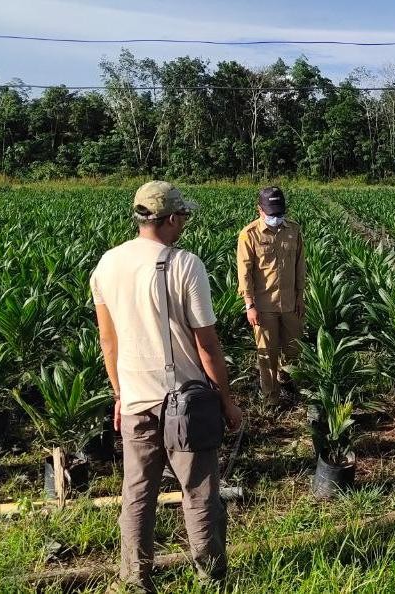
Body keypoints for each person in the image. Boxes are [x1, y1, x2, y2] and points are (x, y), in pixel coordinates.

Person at [92, 180, 244, 590]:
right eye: (183, 217)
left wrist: (120, 395)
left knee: (137, 494)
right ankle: (211, 577)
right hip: (186, 402)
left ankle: (135, 579)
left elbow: (109, 341)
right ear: (172, 218)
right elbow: (206, 343)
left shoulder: (106, 264)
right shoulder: (184, 264)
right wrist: (227, 401)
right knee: (199, 492)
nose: (185, 225)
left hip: (137, 399)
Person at [236, 186, 306, 407]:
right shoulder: (249, 235)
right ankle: (270, 399)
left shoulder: (293, 230)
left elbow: (300, 265)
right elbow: (244, 272)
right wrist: (249, 304)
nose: (276, 218)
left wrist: (300, 296)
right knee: (267, 354)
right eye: (271, 213)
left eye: (279, 213)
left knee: (294, 349)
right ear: (260, 210)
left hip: (290, 303)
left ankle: (284, 379)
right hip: (263, 306)